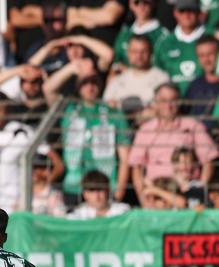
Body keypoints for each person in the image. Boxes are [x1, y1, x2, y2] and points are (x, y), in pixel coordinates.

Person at [128, 83, 218, 201]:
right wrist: (144, 200)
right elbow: (136, 168)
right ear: (155, 102)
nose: (168, 106)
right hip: (156, 195)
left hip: (186, 193)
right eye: (164, 101)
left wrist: (199, 192)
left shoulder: (193, 125)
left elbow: (208, 160)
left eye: (173, 101)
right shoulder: (145, 130)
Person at [57, 73, 131, 206]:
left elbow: (125, 157)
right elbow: (48, 90)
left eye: (94, 83)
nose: (90, 87)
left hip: (104, 186)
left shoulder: (114, 114)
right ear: (78, 87)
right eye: (85, 83)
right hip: (73, 185)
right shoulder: (68, 111)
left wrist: (120, 189)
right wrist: (75, 67)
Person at [103, 35, 169, 117]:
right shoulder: (116, 80)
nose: (139, 56)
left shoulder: (162, 79)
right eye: (134, 51)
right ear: (128, 53)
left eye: (143, 51)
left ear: (151, 52)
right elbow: (105, 107)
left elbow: (167, 108)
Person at [154, 0, 209, 95]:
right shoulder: (164, 43)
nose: (186, 15)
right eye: (182, 11)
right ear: (175, 13)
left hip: (207, 99)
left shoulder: (212, 38)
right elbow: (157, 74)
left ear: (199, 12)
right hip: (173, 102)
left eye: (191, 10)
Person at [111, 0, 169, 68]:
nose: (141, 6)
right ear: (130, 5)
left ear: (154, 3)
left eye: (146, 2)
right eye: (136, 2)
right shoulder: (124, 33)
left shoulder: (164, 35)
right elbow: (116, 63)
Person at [184, 36, 219, 125]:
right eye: (202, 55)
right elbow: (182, 113)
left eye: (210, 54)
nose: (206, 60)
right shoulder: (194, 85)